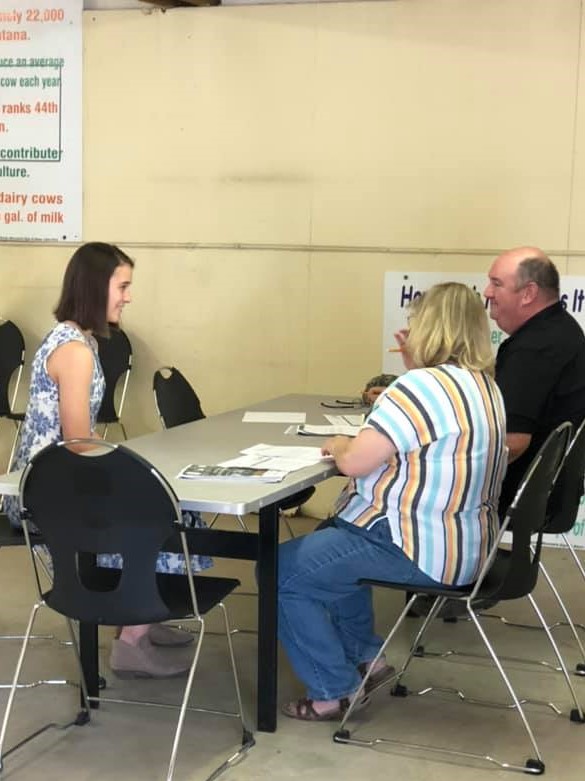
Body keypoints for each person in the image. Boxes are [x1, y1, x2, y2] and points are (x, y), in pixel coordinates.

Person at [278, 282, 507, 721]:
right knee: (332, 539)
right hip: (467, 544)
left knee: (284, 570)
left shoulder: (417, 387)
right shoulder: (486, 387)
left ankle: (333, 691)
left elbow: (356, 463)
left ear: (428, 328)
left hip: (419, 548)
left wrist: (338, 442)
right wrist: (412, 365)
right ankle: (369, 660)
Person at [5, 242, 212, 679]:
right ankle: (132, 639)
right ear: (97, 288)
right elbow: (79, 444)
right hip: (50, 497)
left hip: (55, 483)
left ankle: (142, 621)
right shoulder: (76, 353)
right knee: (160, 512)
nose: (128, 296)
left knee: (168, 504)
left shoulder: (77, 339)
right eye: (123, 286)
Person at [484, 247, 585, 513]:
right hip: (553, 494)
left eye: (496, 284)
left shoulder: (534, 349)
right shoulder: (562, 330)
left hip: (519, 493)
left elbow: (513, 443)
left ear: (528, 293)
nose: (487, 293)